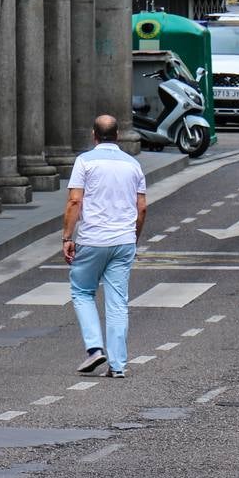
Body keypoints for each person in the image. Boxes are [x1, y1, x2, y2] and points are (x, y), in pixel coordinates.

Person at [62, 115, 147, 379]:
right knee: (118, 302)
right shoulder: (133, 165)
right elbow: (141, 206)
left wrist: (67, 237)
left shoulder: (85, 161)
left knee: (83, 292)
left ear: (93, 135)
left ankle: (94, 348)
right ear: (118, 135)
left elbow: (75, 201)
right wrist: (133, 236)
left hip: (92, 240)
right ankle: (118, 365)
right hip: (123, 241)